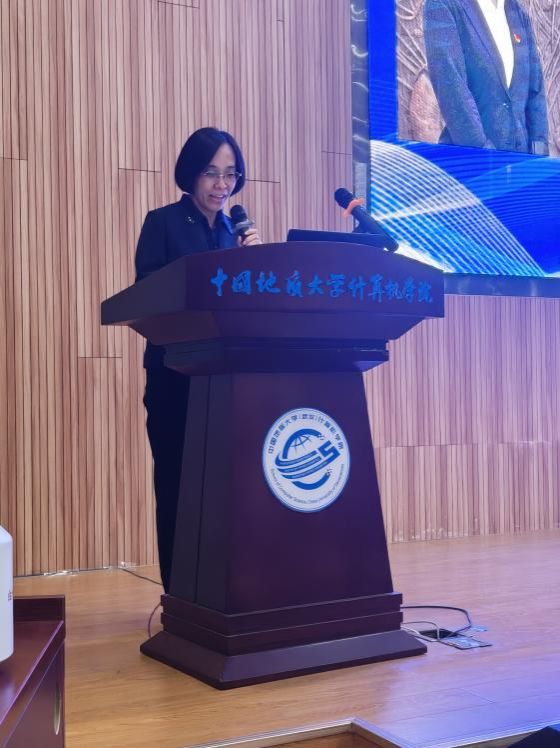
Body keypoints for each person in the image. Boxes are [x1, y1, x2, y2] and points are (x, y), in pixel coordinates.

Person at [135, 127, 262, 592]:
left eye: (231, 174)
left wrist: (256, 266)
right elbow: (149, 297)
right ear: (191, 173)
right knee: (176, 483)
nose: (222, 184)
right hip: (175, 376)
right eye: (211, 172)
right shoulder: (163, 223)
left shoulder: (234, 235)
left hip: (225, 380)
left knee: (225, 488)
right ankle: (179, 592)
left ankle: (219, 591)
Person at [423, 0, 548, 154]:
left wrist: (538, 157)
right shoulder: (443, 5)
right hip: (472, 161)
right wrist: (487, 157)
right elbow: (453, 94)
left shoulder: (518, 13)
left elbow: (535, 90)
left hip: (520, 163)